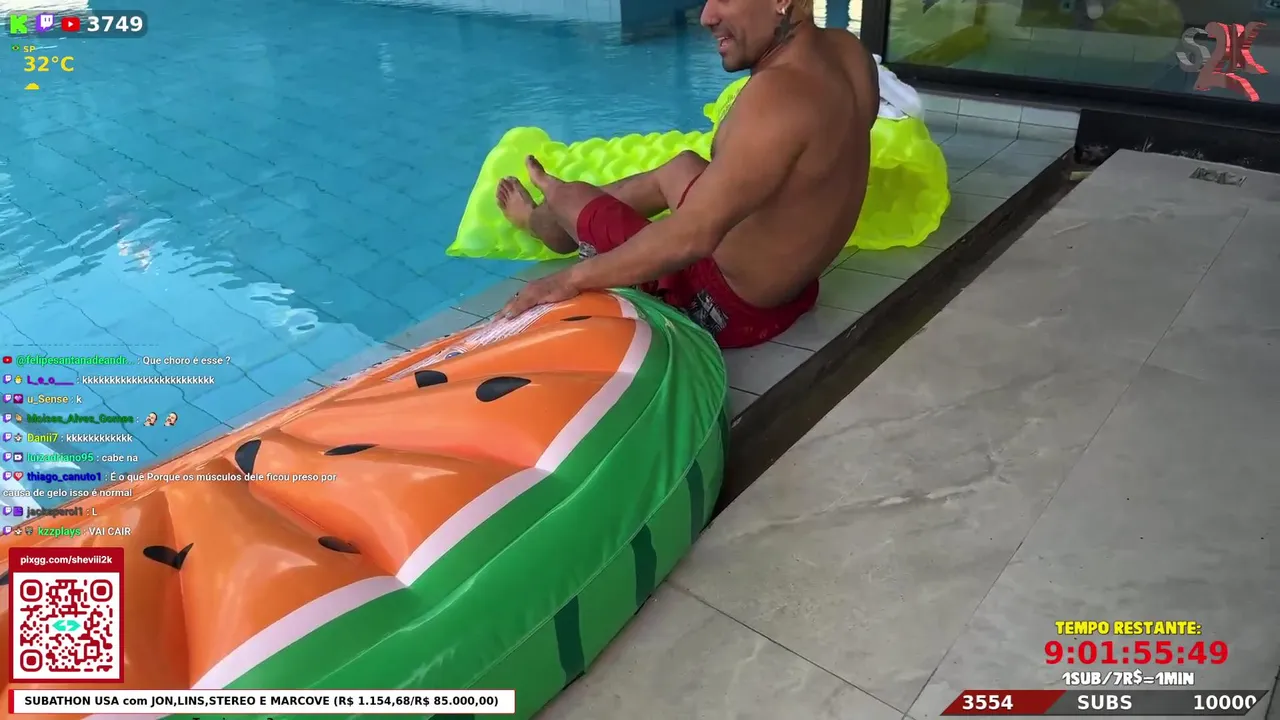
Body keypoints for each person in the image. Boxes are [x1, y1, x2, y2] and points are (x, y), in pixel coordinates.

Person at [495, 0, 879, 348]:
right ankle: (561, 224)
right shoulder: (848, 52)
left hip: (734, 311)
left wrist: (566, 280)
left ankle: (542, 221)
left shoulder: (777, 96)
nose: (706, 16)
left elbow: (691, 237)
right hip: (797, 289)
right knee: (681, 168)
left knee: (568, 195)